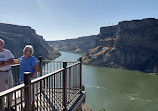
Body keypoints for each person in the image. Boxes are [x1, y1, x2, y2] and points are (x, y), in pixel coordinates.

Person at [14, 45, 39, 110]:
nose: (24, 51)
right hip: (23, 78)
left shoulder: (32, 59)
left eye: (26, 50)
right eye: (24, 49)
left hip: (31, 79)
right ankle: (26, 104)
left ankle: (32, 104)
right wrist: (8, 60)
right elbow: (17, 61)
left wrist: (32, 77)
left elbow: (36, 69)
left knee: (32, 92)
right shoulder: (22, 58)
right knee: (23, 93)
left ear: (30, 52)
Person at [0, 39, 14, 111]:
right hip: (0, 74)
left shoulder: (7, 52)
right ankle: (2, 107)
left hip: (8, 72)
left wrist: (2, 63)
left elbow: (12, 61)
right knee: (1, 91)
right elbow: (9, 61)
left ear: (3, 45)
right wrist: (6, 62)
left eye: (0, 44)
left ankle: (9, 106)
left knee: (10, 89)